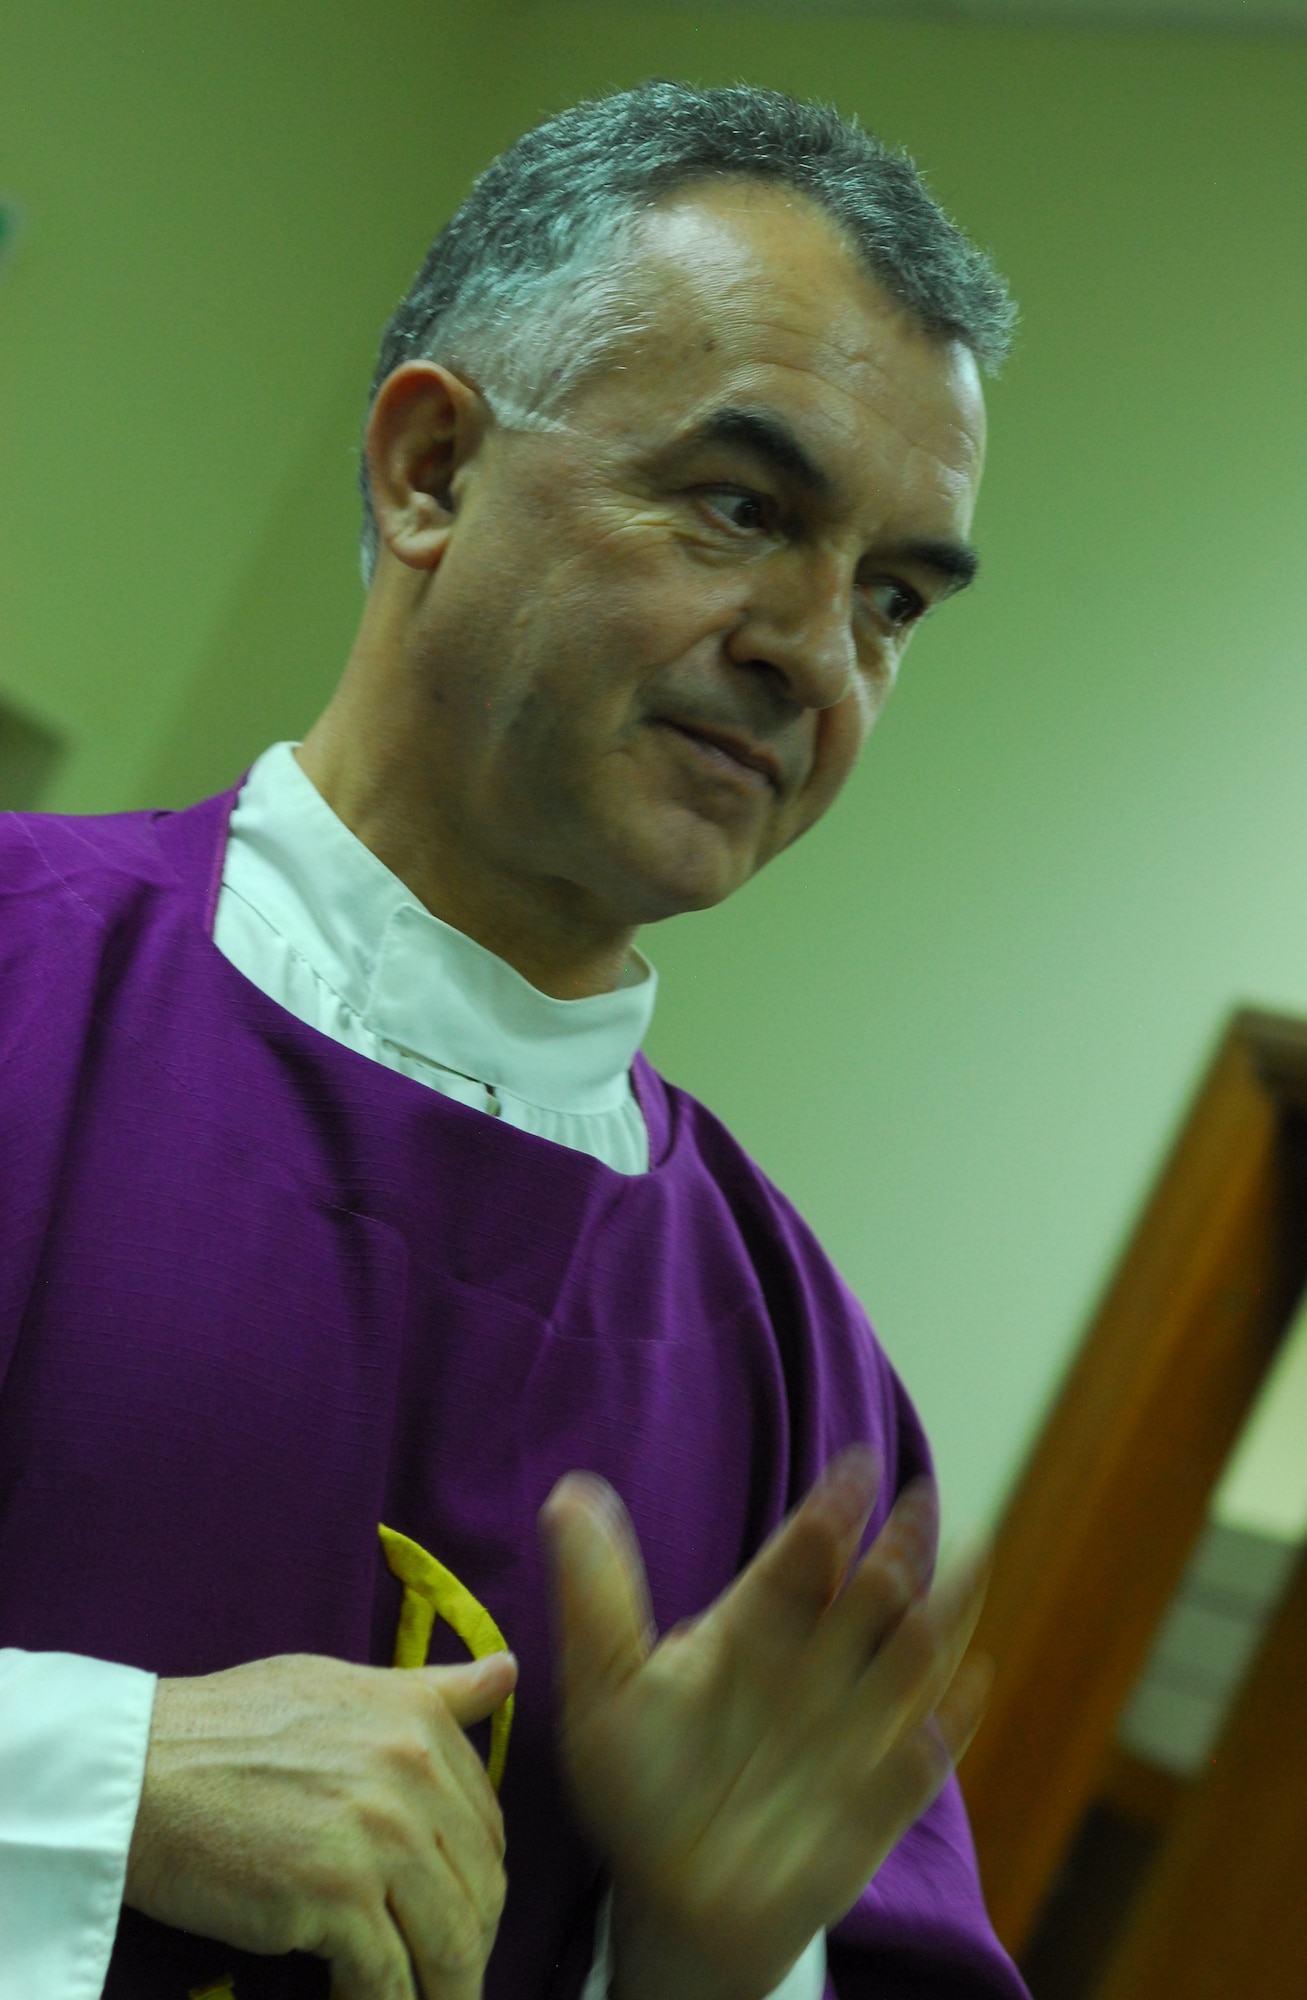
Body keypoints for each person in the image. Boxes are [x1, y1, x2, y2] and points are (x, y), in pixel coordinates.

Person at [0, 81, 1027, 2000]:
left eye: (892, 598)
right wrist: (88, 1782)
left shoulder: (810, 1399)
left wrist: (705, 1955)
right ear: (430, 474)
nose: (818, 650)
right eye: (746, 509)